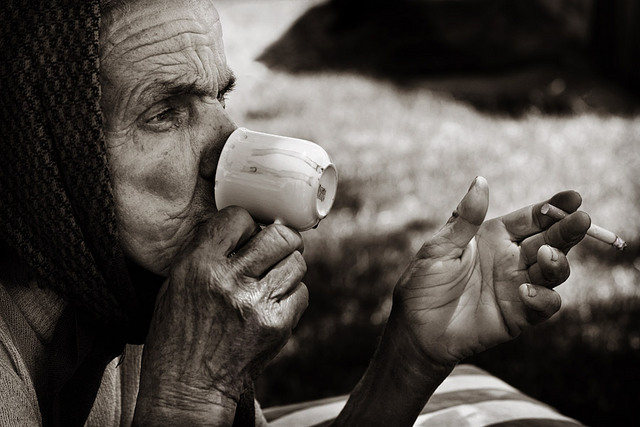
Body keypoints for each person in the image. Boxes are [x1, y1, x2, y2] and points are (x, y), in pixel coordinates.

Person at [0, 0, 591, 425]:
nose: (228, 146)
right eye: (165, 112)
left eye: (218, 98)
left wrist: (410, 356)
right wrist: (190, 394)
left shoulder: (136, 287)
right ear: (45, 155)